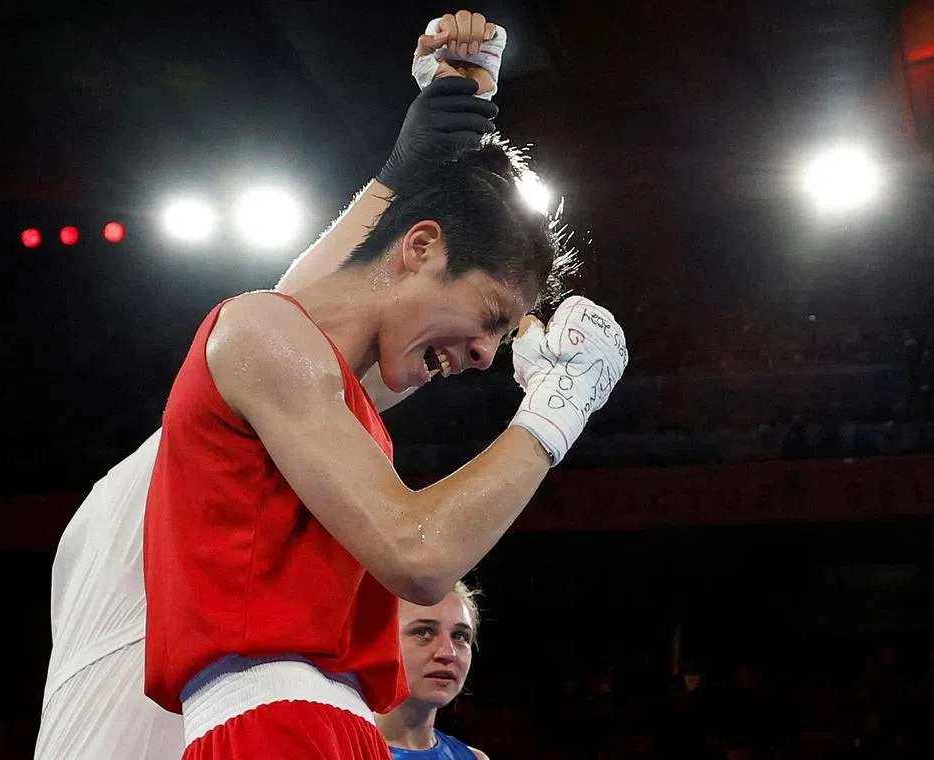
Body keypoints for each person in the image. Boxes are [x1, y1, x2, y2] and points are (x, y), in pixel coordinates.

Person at [143, 18, 629, 760]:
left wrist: (455, 107)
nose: (482, 356)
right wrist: (556, 410)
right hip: (275, 729)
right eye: (491, 318)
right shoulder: (261, 335)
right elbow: (419, 554)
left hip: (338, 730)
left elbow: (326, 314)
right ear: (423, 247)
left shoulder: (326, 383)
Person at [33, 12, 506, 758]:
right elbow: (311, 324)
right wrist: (432, 151)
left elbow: (315, 324)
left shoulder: (220, 427)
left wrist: (438, 142)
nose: (481, 358)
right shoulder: (224, 412)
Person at [380, 581, 490, 760]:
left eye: (460, 636)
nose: (448, 653)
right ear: (380, 641)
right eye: (424, 632)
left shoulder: (475, 758)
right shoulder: (340, 750)